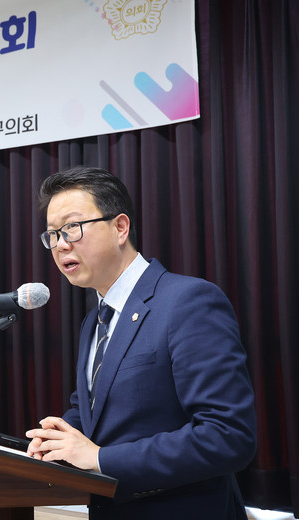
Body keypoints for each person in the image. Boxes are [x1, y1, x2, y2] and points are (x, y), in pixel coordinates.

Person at [26, 166, 257, 519]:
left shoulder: (187, 301)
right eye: (53, 234)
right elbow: (97, 410)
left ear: (120, 227)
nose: (61, 245)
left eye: (72, 227)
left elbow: (228, 436)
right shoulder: (95, 319)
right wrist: (59, 435)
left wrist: (99, 458)